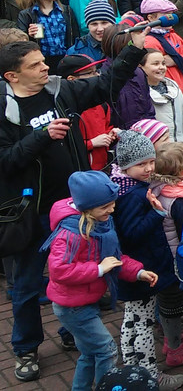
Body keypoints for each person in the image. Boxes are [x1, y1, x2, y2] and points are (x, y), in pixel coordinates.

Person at [0, 27, 146, 382]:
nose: (45, 68)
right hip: (30, 214)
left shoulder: (59, 91)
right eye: (35, 66)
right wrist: (40, 137)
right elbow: (5, 162)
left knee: (79, 269)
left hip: (71, 210)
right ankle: (26, 348)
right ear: (12, 75)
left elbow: (104, 83)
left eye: (42, 62)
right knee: (27, 285)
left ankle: (71, 332)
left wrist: (133, 49)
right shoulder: (5, 110)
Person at [45, 171, 157, 391]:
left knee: (89, 353)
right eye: (105, 206)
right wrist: (98, 269)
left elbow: (113, 258)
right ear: (87, 207)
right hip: (72, 307)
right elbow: (59, 270)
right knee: (106, 350)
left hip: (83, 302)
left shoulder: (98, 222)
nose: (112, 210)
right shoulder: (71, 234)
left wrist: (137, 272)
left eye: (112, 204)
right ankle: (106, 387)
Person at [110, 134, 183, 389]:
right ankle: (149, 375)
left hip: (134, 269)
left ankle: (131, 364)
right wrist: (157, 213)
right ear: (125, 166)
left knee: (133, 320)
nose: (149, 169)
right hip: (141, 269)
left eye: (151, 161)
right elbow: (132, 234)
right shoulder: (133, 195)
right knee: (143, 323)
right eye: (141, 164)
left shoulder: (123, 185)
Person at [16, 0, 75, 71]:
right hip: (41, 61)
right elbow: (20, 42)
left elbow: (74, 35)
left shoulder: (66, 11)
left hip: (65, 59)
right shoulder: (27, 15)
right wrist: (29, 35)